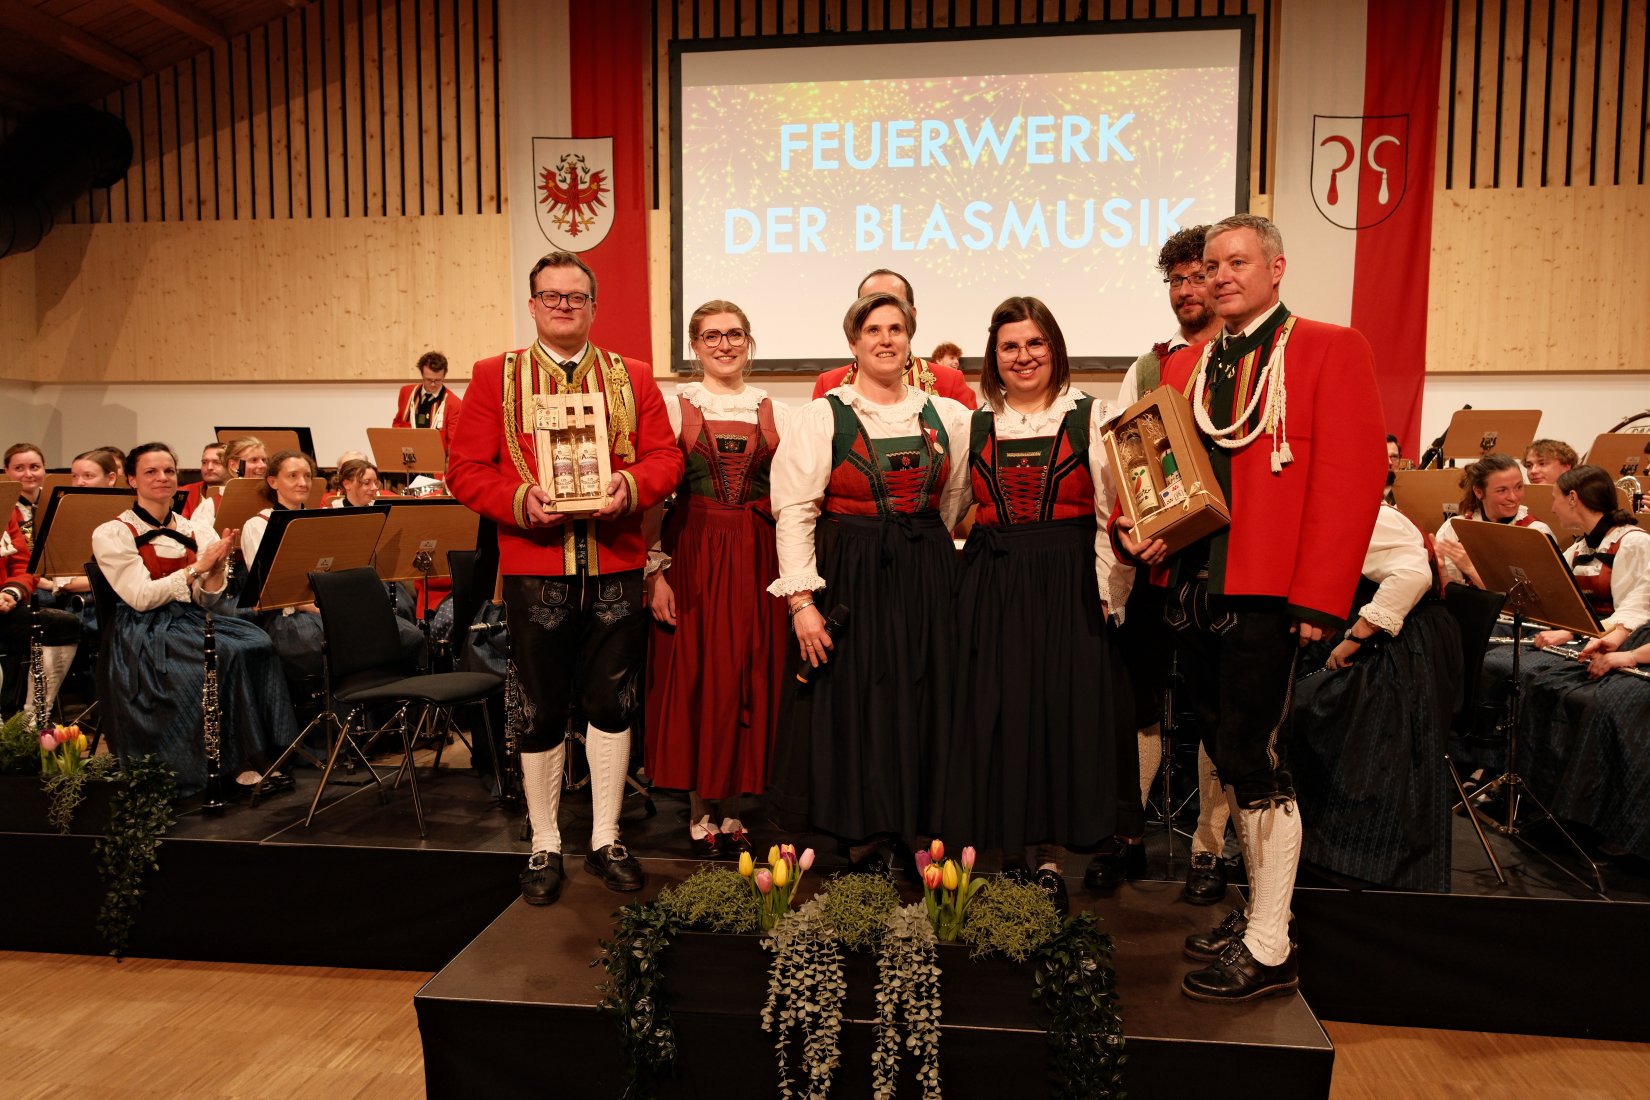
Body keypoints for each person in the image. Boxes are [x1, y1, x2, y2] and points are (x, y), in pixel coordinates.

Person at [1124, 214, 1387, 1003]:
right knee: (1229, 755)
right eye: (1211, 266)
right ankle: (1260, 915)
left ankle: (1272, 944)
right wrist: (1139, 529)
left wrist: (1320, 597)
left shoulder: (1330, 348)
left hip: (1271, 593)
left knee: (1253, 759)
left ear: (1276, 267)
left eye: (1237, 262)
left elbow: (1352, 477)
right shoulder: (1190, 365)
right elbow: (1160, 472)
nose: (1220, 277)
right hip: (1196, 588)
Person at [446, 250, 681, 905]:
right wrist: (519, 499)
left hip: (616, 564)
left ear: (593, 307)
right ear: (532, 305)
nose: (563, 306)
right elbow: (464, 470)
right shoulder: (494, 376)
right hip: (536, 567)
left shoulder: (633, 376)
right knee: (540, 708)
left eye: (575, 297)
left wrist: (630, 484)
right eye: (551, 296)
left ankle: (607, 837)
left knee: (612, 702)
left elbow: (666, 457)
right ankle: (545, 841)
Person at [929, 296, 1130, 914]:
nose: (1023, 356)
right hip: (992, 582)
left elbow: (1111, 513)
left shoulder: (1092, 416)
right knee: (996, 715)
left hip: (1068, 581)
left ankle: (1049, 861)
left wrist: (1110, 590)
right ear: (993, 356)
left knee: (1058, 717)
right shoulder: (972, 425)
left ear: (1055, 349)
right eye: (1010, 346)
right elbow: (947, 507)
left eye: (1035, 343)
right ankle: (1008, 855)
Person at [767, 289, 972, 873]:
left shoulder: (948, 415)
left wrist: (924, 549)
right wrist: (801, 602)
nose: (886, 340)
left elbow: (955, 498)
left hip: (926, 573)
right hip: (851, 575)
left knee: (923, 695)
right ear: (853, 343)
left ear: (911, 339)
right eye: (874, 331)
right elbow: (796, 512)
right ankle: (861, 832)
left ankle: (917, 829)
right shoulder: (822, 417)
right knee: (860, 700)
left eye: (896, 329)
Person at [1091, 224, 1233, 904]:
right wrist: (1133, 531)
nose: (1186, 290)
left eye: (1197, 275)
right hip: (1155, 566)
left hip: (1225, 567)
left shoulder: (1249, 363)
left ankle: (1210, 848)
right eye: (1176, 280)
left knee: (1216, 714)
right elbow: (1127, 461)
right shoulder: (1147, 368)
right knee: (1138, 704)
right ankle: (1127, 835)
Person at [644, 300, 789, 858]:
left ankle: (735, 805)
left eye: (734, 335)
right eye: (711, 336)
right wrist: (655, 573)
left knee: (748, 671)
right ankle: (700, 806)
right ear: (694, 345)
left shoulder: (777, 411)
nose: (724, 345)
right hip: (694, 553)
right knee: (700, 673)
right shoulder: (675, 409)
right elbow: (652, 499)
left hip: (757, 556)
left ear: (748, 342)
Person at [90, 442, 298, 799]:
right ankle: (228, 763)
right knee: (223, 654)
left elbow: (207, 599)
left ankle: (266, 751)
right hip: (141, 631)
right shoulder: (113, 532)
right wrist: (198, 567)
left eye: (169, 471)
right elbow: (140, 597)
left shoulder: (196, 529)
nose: (162, 477)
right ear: (132, 480)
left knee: (258, 642)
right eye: (151, 472)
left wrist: (215, 572)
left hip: (188, 617)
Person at [1291, 492, 1462, 892]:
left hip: (1406, 646)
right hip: (1395, 637)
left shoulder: (1370, 517)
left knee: (1308, 709)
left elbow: (1412, 576)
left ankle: (1359, 858)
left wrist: (1356, 636)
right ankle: (1321, 847)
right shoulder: (1350, 513)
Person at [809, 270, 977, 408]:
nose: (884, 312)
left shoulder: (949, 382)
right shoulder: (829, 384)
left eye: (894, 304)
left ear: (912, 315)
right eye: (871, 306)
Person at [241, 451, 327, 684]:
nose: (303, 482)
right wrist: (316, 607)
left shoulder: (320, 520)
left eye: (307, 476)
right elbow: (269, 586)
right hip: (285, 616)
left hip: (321, 606)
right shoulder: (257, 525)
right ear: (273, 482)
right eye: (293, 476)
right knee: (323, 646)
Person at [1433, 453, 1557, 588]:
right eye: (1502, 490)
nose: (1513, 497)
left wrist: (1470, 569)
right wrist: (1442, 571)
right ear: (1479, 492)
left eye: (1519, 487)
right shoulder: (1454, 528)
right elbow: (1448, 593)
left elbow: (1531, 598)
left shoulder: (1536, 532)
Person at [192, 436, 269, 536]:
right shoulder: (210, 507)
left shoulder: (273, 499)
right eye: (254, 460)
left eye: (264, 460)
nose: (262, 465)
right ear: (233, 465)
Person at [393, 351, 464, 454]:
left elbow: (452, 443)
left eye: (438, 380)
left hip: (436, 458)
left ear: (444, 376)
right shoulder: (406, 392)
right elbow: (398, 424)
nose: (433, 384)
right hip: (407, 455)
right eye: (428, 380)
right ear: (422, 374)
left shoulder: (454, 403)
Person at [182, 443, 230, 518]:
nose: (209, 467)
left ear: (231, 466)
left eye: (217, 462)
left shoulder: (244, 493)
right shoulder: (185, 492)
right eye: (204, 462)